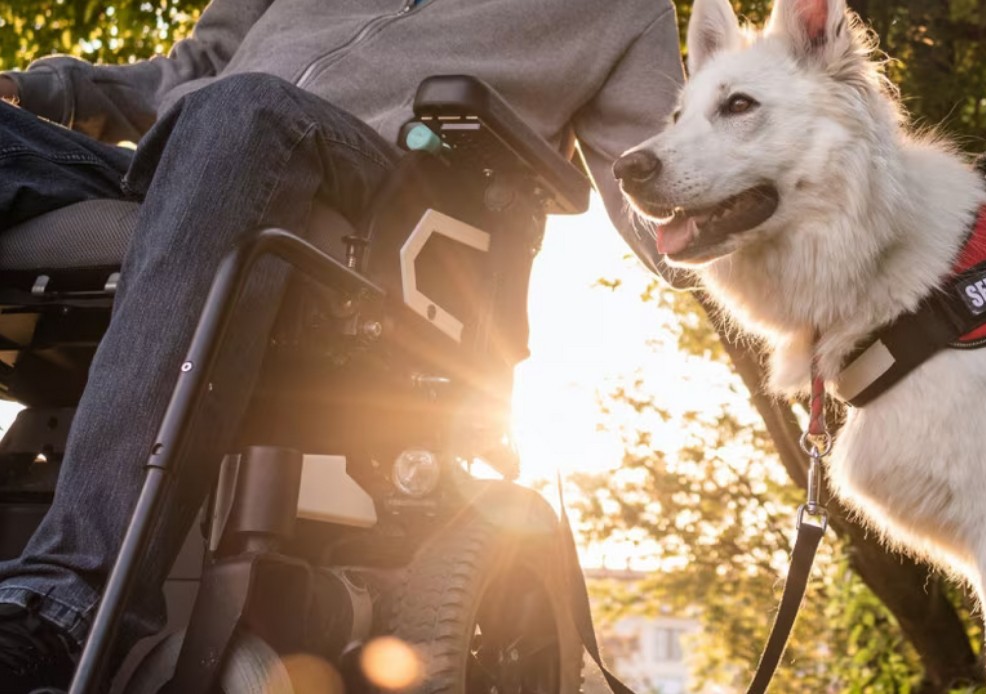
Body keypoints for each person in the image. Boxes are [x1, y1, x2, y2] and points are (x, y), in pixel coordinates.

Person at [0, 0, 683, 689]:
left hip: (377, 207)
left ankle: (65, 603)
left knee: (248, 113)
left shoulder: (621, 11)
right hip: (188, 169)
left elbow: (671, 173)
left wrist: (769, 259)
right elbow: (200, 69)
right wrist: (47, 92)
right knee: (222, 114)